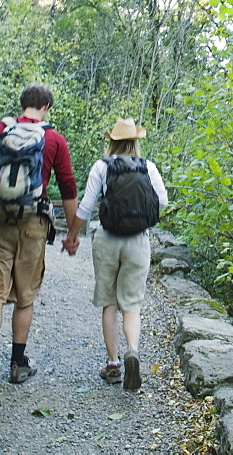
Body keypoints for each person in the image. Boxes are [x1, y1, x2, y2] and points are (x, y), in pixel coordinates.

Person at [0, 83, 78, 411]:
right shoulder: (54, 139)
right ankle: (18, 364)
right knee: (25, 297)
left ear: (22, 104)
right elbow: (68, 186)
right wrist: (73, 233)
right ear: (46, 106)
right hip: (33, 222)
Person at [63, 118, 168, 391]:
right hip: (138, 241)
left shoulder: (102, 166)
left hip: (108, 239)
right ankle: (132, 350)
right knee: (131, 304)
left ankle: (113, 365)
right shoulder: (149, 167)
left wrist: (72, 235)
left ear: (112, 140)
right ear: (135, 140)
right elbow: (163, 201)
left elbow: (85, 208)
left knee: (109, 302)